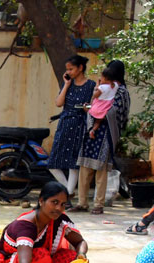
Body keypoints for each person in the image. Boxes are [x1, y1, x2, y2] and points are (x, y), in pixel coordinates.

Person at [75, 59, 129, 215]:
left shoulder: (121, 91)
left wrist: (98, 112)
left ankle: (98, 204)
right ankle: (82, 202)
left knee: (101, 169)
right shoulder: (104, 87)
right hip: (92, 129)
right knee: (85, 166)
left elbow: (119, 112)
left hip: (107, 132)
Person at [49, 54, 95, 195]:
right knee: (53, 162)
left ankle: (68, 193)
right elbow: (59, 103)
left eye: (71, 69)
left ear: (80, 68)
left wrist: (87, 108)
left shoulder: (91, 85)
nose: (68, 72)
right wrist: (67, 84)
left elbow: (93, 106)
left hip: (80, 125)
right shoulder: (68, 84)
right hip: (65, 123)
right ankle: (66, 190)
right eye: (67, 69)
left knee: (73, 163)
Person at [86, 69, 119, 141]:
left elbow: (95, 95)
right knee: (98, 121)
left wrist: (97, 85)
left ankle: (90, 128)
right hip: (106, 108)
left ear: (106, 78)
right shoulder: (115, 85)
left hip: (97, 107)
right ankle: (93, 130)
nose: (100, 78)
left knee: (86, 108)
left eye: (101, 77)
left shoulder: (102, 87)